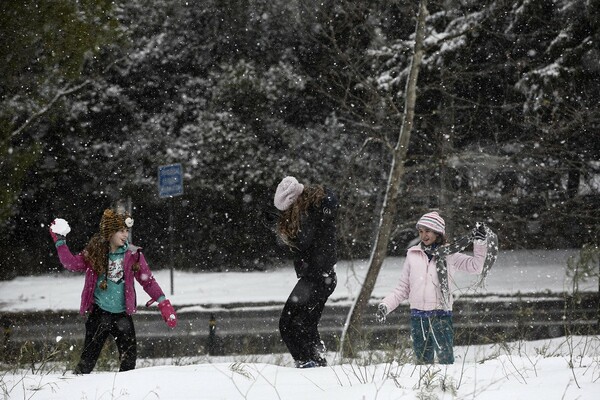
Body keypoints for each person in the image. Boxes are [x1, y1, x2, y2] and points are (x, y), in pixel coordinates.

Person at [49, 208, 177, 374]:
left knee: (129, 364)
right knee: (87, 362)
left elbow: (148, 281)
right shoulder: (95, 252)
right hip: (99, 315)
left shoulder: (133, 255)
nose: (125, 235)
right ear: (109, 232)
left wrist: (163, 302)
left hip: (122, 315)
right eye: (120, 231)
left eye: (126, 231)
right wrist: (60, 242)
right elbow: (71, 264)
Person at [376, 211, 494, 365]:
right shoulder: (413, 255)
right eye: (421, 231)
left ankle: (445, 387)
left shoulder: (450, 255)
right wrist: (385, 305)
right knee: (422, 363)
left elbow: (476, 267)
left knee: (446, 361)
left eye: (428, 231)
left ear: (438, 233)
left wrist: (479, 243)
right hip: (418, 317)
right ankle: (425, 388)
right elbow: (403, 288)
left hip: (441, 315)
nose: (424, 235)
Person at [274, 176, 338, 368]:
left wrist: (284, 234)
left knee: (288, 325)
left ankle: (306, 363)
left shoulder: (310, 213)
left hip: (318, 277)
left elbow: (303, 243)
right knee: (306, 325)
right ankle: (317, 363)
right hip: (322, 276)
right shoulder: (314, 209)